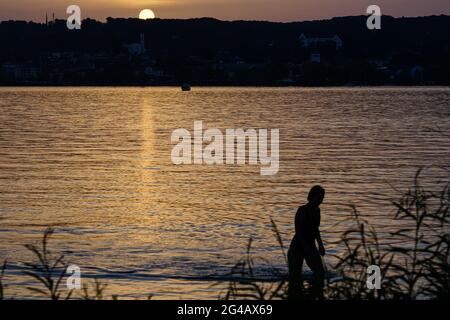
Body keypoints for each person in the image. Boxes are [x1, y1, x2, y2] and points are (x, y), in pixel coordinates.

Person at [288, 185, 326, 299]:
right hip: (297, 247)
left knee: (320, 273)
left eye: (322, 198)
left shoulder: (317, 211)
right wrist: (306, 247)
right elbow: (298, 231)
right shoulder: (302, 210)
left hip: (311, 245)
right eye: (319, 197)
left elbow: (315, 229)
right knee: (295, 278)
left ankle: (314, 293)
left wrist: (320, 245)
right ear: (312, 197)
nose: (321, 200)